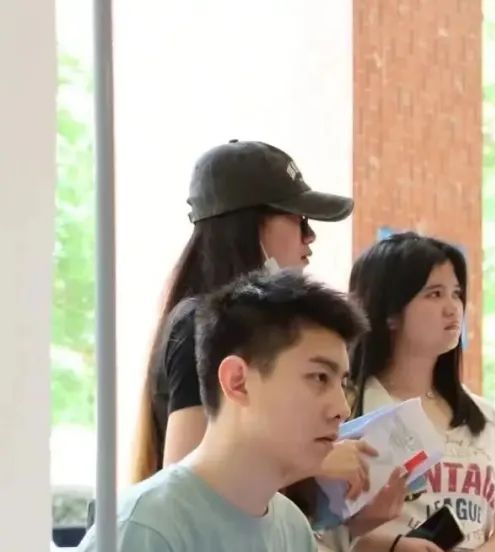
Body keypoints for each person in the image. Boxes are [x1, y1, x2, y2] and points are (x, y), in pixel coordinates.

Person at [52, 271, 408, 552]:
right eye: (318, 377)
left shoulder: (293, 530)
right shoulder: (142, 532)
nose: (340, 407)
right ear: (237, 381)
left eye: (343, 384)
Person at [130, 139, 361, 485]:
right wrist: (315, 462)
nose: (310, 236)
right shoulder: (197, 324)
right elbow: (184, 484)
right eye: (299, 219)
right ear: (249, 224)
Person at [343, 232, 495, 552]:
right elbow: (316, 523)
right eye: (433, 294)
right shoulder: (347, 410)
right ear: (390, 312)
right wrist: (393, 550)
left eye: (457, 293)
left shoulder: (484, 418)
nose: (452, 308)